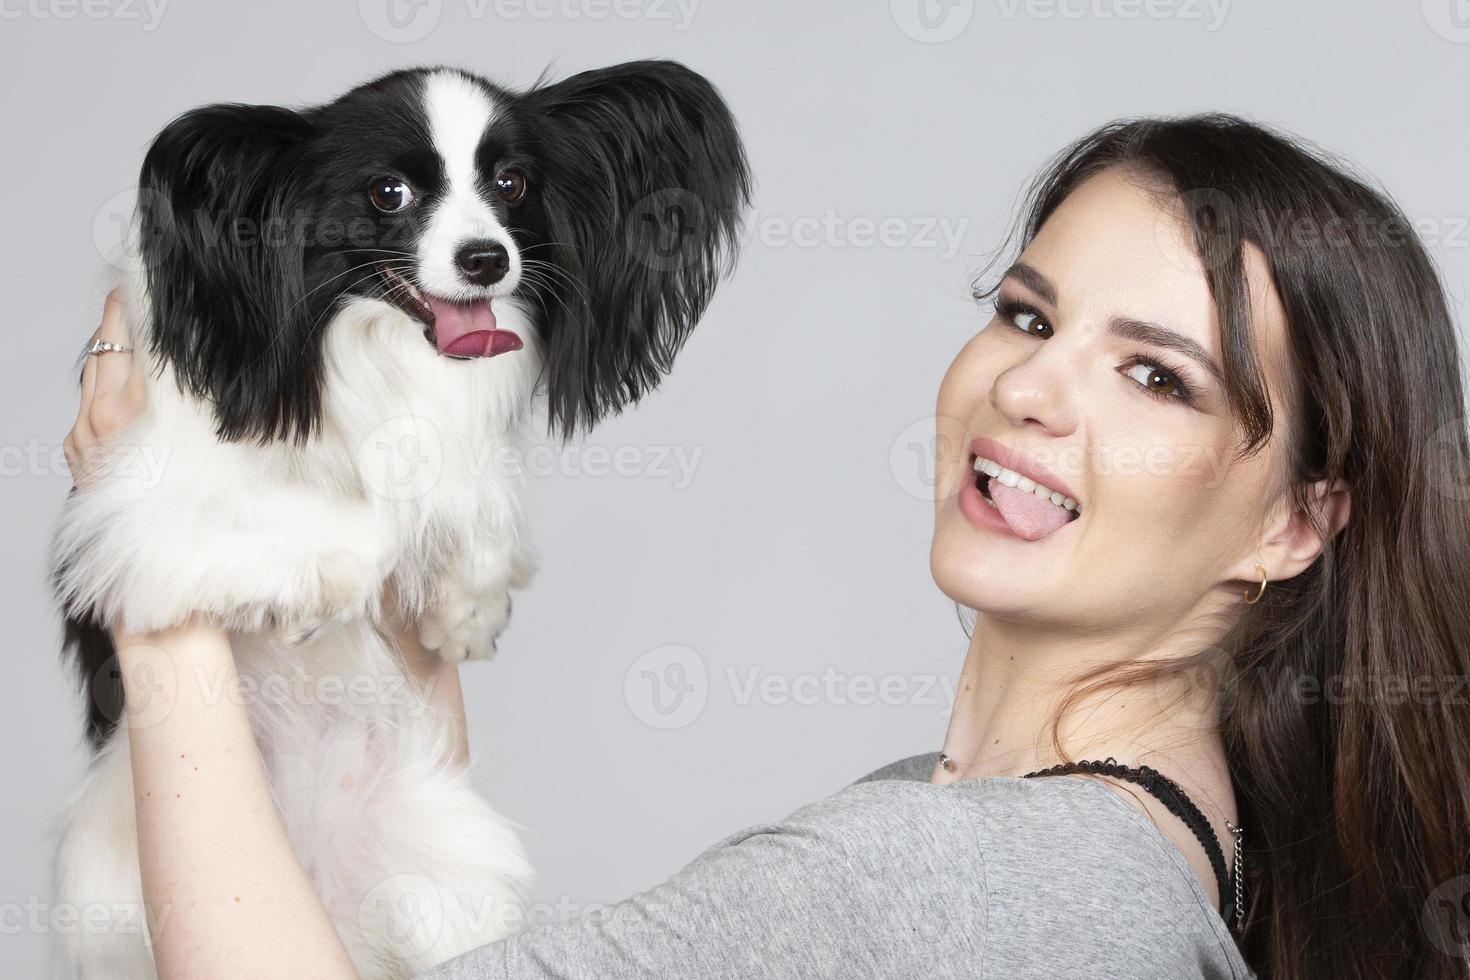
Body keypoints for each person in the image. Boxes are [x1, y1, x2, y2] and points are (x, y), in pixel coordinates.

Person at [62, 112, 1470, 980]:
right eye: (1030, 317)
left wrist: (161, 576)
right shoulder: (1123, 866)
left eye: (1155, 375)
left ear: (1295, 521)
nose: (1031, 389)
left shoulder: (964, 879)